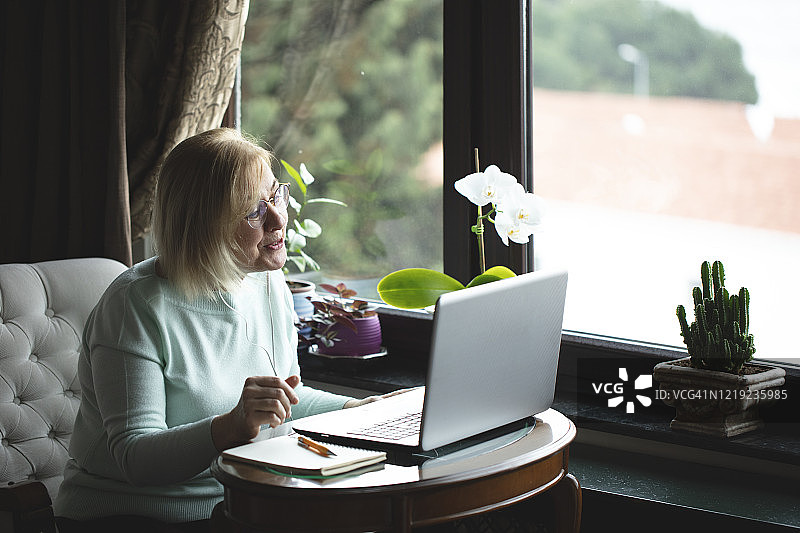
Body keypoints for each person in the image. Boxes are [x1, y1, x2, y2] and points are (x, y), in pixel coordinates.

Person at [54, 128, 376, 532]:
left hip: (239, 502)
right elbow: (135, 458)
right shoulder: (134, 305)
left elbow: (281, 398)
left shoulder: (266, 280)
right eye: (253, 211)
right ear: (203, 225)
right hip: (130, 514)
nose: (279, 219)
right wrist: (231, 425)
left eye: (275, 195)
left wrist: (359, 411)